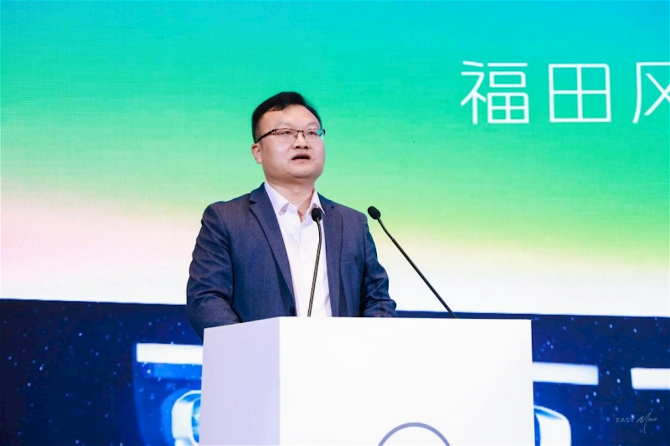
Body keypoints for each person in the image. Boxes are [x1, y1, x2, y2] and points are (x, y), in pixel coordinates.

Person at [187, 92, 397, 340]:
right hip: (261, 361)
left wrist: (367, 348)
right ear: (257, 152)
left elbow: (377, 300)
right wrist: (252, 350)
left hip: (341, 361)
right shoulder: (226, 219)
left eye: (312, 132)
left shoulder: (353, 223)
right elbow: (206, 299)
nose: (301, 142)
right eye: (285, 132)